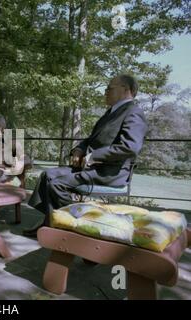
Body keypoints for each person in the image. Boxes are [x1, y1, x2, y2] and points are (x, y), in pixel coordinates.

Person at [23, 74, 148, 237]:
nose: (105, 92)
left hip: (110, 172)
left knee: (57, 184)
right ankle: (51, 221)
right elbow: (91, 139)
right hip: (92, 168)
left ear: (126, 90)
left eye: (109, 88)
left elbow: (130, 147)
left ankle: (82, 228)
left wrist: (94, 156)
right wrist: (79, 150)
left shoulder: (133, 112)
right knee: (47, 175)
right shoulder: (111, 113)